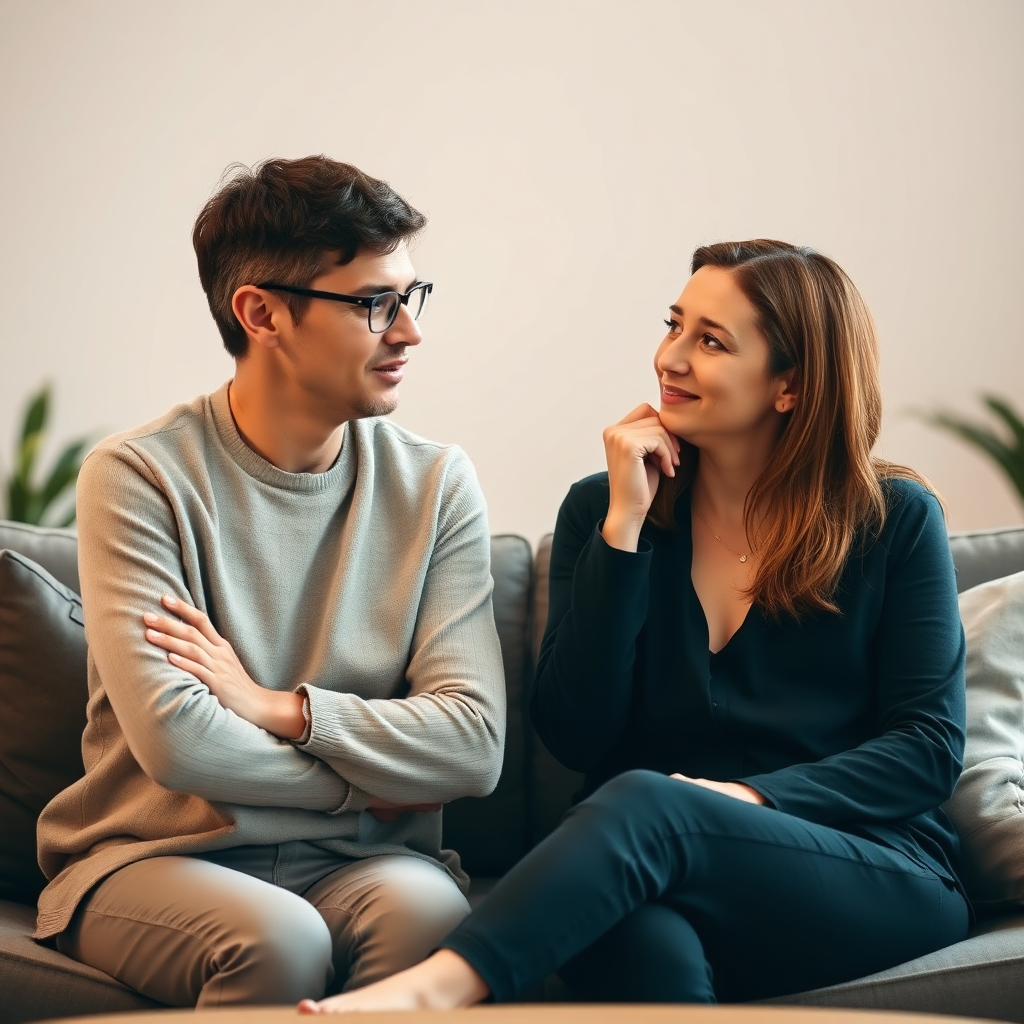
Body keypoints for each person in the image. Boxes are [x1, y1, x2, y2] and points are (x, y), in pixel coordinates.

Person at [299, 239, 970, 1012]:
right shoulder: (603, 506)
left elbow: (926, 749)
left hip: (869, 866)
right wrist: (625, 532)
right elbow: (576, 736)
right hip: (652, 869)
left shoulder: (892, 519)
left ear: (789, 386)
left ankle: (429, 994)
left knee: (649, 803)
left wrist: (742, 798)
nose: (669, 358)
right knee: (629, 932)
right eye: (674, 325)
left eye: (711, 341)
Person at [34, 156, 506, 1006]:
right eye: (374, 303)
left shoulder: (436, 483)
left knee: (433, 916)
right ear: (262, 313)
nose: (409, 332)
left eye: (412, 296)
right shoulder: (138, 476)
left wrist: (278, 708)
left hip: (364, 863)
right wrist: (372, 784)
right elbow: (181, 745)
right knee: (278, 938)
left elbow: (473, 745)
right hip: (157, 858)